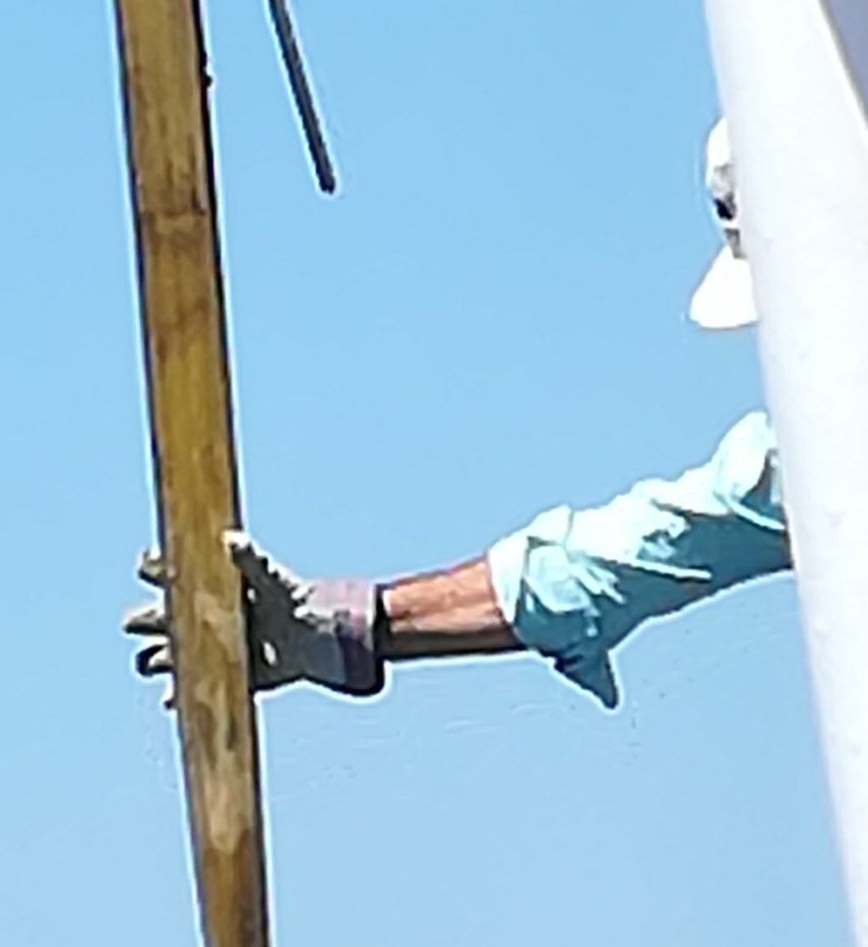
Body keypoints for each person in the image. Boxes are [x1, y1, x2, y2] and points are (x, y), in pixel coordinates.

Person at [127, 121, 789, 712]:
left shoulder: (817, 463)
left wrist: (344, 628)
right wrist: (343, 627)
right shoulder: (806, 467)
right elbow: (629, 552)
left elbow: (641, 549)